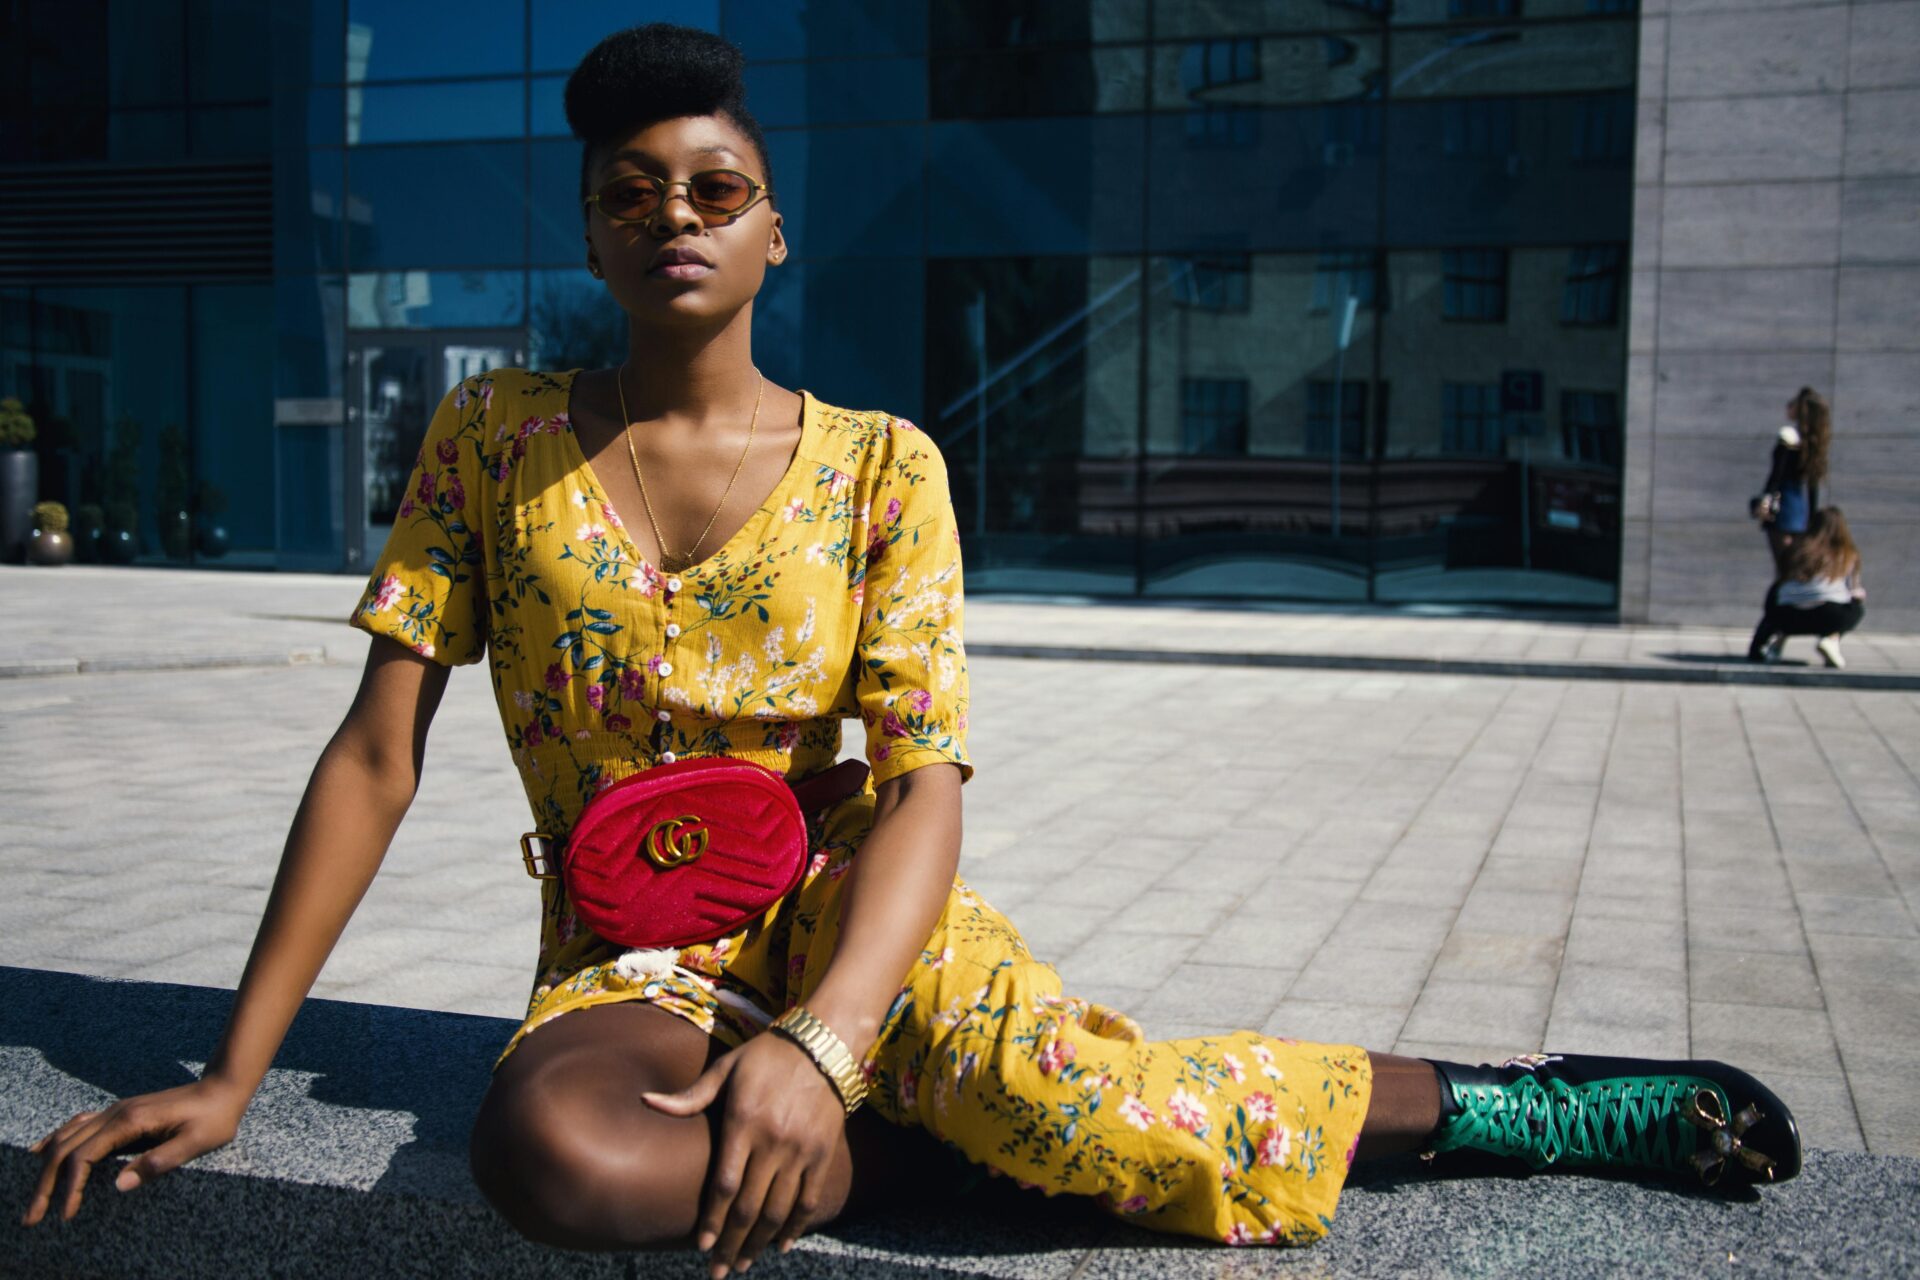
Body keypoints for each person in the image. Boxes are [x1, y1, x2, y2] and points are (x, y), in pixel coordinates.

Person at [21, 22, 1802, 1273]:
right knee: (548, 1159)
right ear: (590, 229)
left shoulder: (886, 466)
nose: (674, 213)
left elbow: (921, 776)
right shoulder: (495, 438)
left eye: (713, 184)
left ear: (773, 228)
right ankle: (967, 1124)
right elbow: (375, 753)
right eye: (631, 190)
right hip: (629, 958)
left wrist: (826, 1045)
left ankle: (1506, 1109)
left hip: (858, 914)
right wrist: (236, 1074)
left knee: (1088, 1116)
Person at [1748, 506, 1865, 668]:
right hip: (1829, 616)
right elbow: (1854, 589)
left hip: (1786, 616)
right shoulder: (1847, 553)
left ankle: (1777, 642)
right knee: (1856, 605)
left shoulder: (1795, 549)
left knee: (1781, 595)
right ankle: (1831, 639)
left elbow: (1780, 584)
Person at [1750, 386, 1831, 578]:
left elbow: (1776, 475)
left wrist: (1765, 499)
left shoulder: (1789, 437)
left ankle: (1781, 605)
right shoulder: (1813, 442)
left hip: (1784, 506)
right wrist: (1812, 519)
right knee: (1794, 567)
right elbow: (1812, 487)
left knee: (1784, 568)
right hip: (1799, 510)